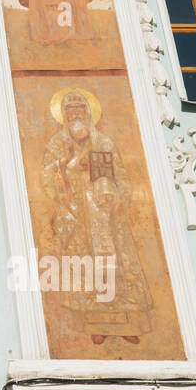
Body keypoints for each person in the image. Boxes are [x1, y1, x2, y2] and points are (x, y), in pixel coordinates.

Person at [40, 90, 153, 344]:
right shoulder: (57, 144)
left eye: (80, 109)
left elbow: (121, 174)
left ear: (88, 113)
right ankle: (96, 325)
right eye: (71, 111)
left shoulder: (103, 142)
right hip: (79, 215)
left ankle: (127, 324)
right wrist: (68, 169)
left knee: (118, 267)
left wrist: (116, 196)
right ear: (64, 115)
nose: (76, 114)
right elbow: (47, 177)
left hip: (107, 215)